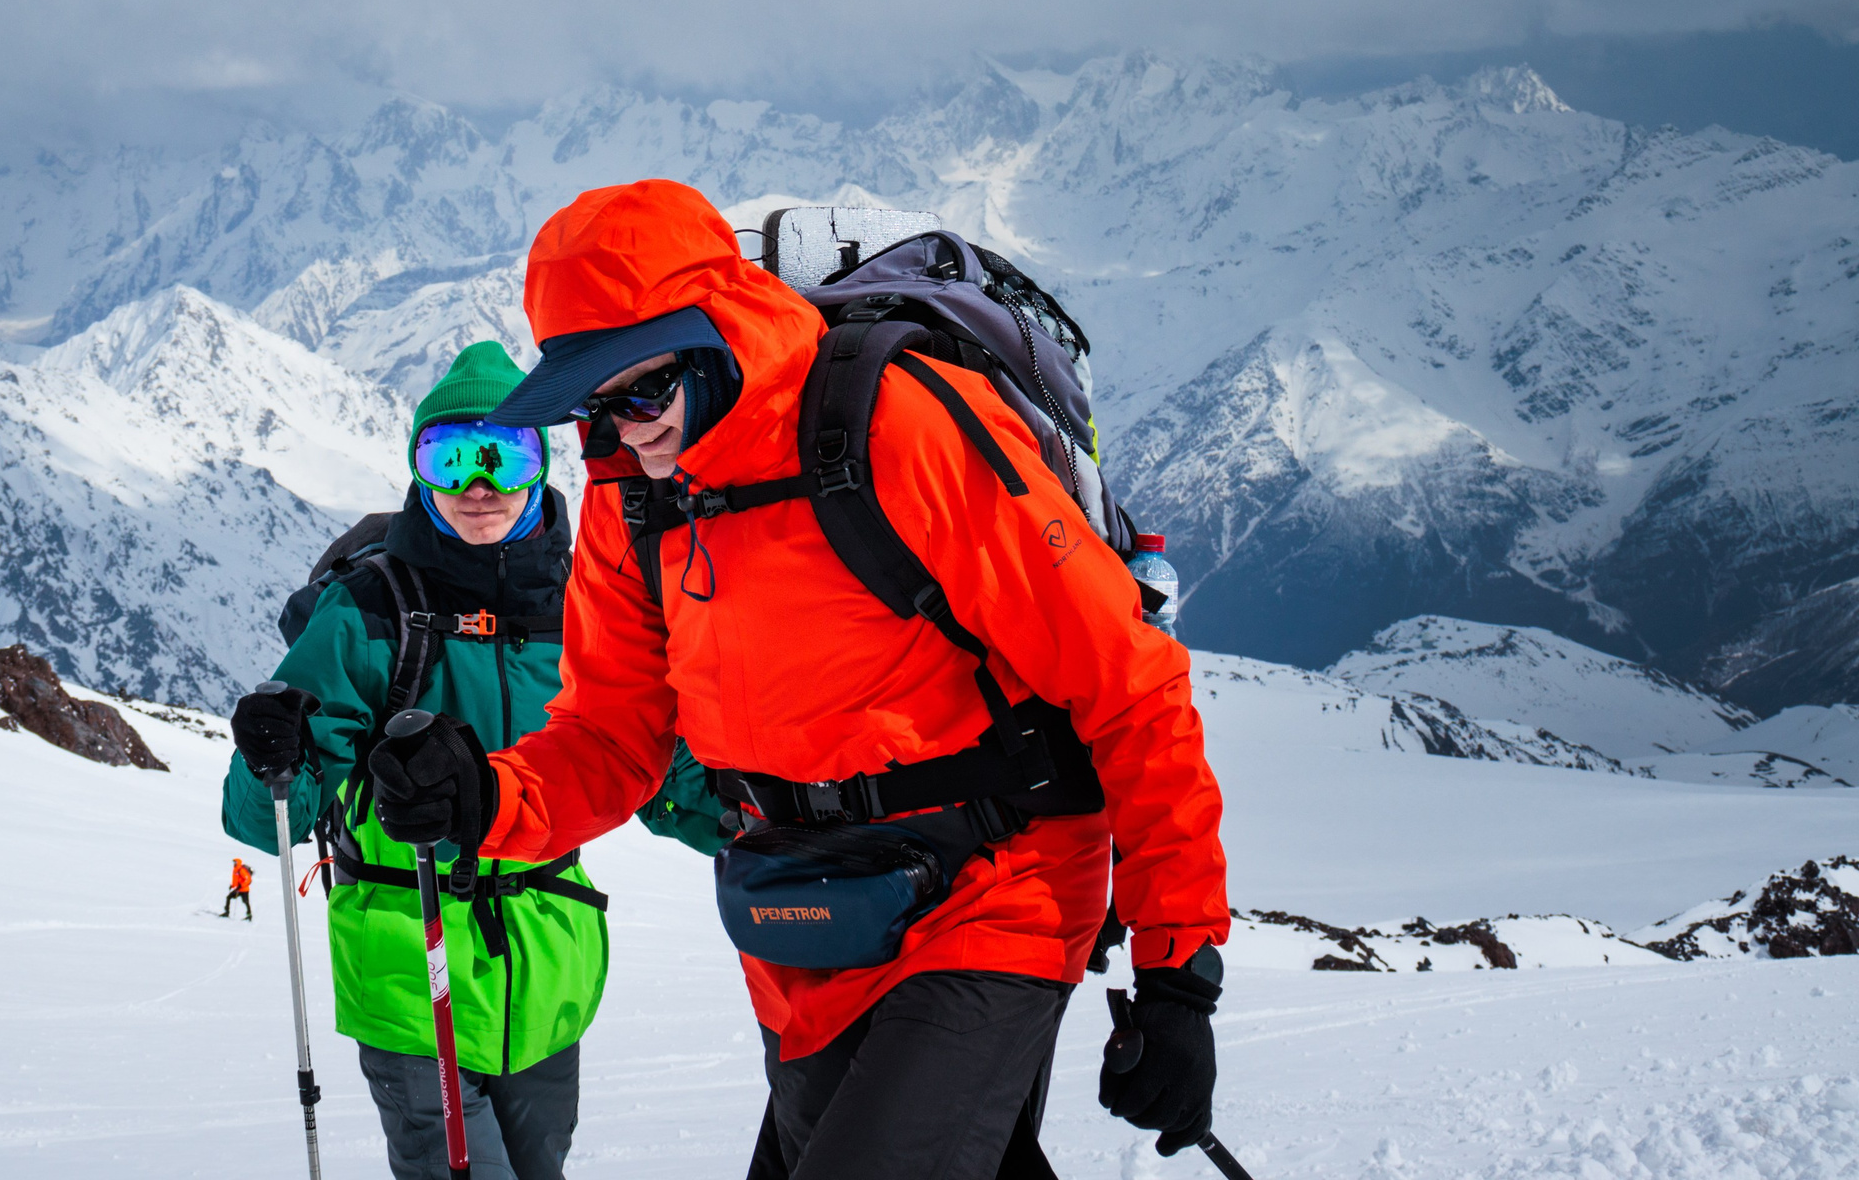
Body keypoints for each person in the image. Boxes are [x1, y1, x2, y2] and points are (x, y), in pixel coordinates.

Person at [365, 181, 1230, 1180]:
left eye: (642, 391)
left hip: (993, 892)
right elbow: (610, 736)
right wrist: (489, 797)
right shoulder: (629, 500)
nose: (625, 433)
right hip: (800, 920)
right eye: (592, 408)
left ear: (716, 335)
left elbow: (1128, 686)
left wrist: (1178, 972)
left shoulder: (898, 425)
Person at [221, 340, 731, 1180]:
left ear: (541, 463)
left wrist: (771, 827)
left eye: (505, 455)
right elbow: (268, 816)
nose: (480, 486)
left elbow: (647, 762)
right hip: (408, 973)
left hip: (548, 973)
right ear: (421, 472)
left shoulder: (587, 603)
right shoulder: (371, 610)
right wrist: (268, 756)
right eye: (451, 459)